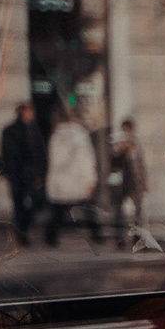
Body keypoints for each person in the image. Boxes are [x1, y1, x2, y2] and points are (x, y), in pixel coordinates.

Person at [43, 103, 101, 247]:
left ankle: (51, 238)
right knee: (88, 209)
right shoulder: (81, 136)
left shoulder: (56, 136)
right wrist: (91, 180)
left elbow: (52, 160)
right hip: (77, 181)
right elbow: (86, 160)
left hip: (60, 182)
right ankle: (96, 234)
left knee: (58, 212)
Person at [0, 101, 47, 246]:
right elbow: (9, 154)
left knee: (36, 201)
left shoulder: (34, 130)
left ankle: (23, 228)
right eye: (28, 112)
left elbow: (40, 153)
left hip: (30, 174)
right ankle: (22, 232)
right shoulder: (11, 131)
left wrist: (40, 172)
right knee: (19, 203)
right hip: (18, 174)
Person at [106, 118, 146, 242]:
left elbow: (140, 165)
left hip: (133, 181)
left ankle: (136, 236)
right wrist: (120, 149)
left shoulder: (135, 145)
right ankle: (119, 237)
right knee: (118, 210)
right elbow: (112, 162)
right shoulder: (116, 144)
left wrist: (143, 182)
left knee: (138, 210)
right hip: (120, 180)